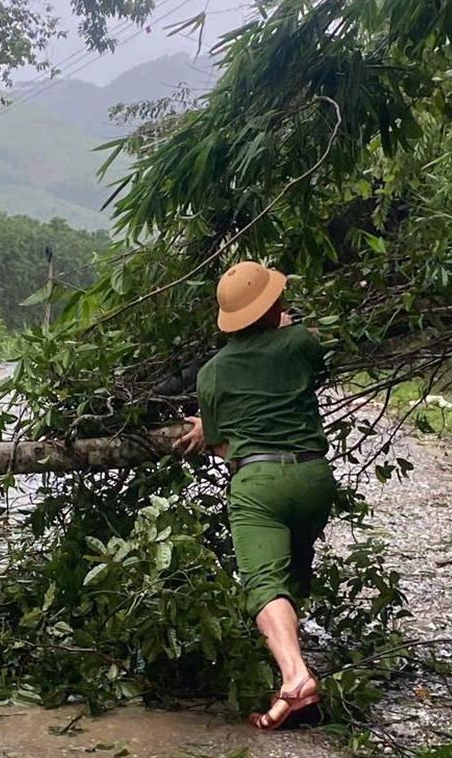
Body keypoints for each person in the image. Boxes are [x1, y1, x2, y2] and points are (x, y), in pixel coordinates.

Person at [177, 260, 335, 730]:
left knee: (265, 582)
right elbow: (309, 374)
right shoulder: (302, 343)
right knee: (293, 573)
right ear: (274, 304)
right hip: (313, 478)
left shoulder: (212, 373)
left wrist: (208, 427)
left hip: (258, 484)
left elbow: (222, 445)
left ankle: (294, 677)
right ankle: (292, 688)